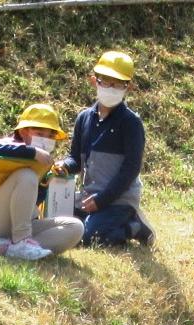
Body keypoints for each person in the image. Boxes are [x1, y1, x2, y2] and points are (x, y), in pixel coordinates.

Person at [56, 50, 155, 248]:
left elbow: (130, 170)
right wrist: (63, 166)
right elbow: (75, 159)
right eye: (106, 81)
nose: (111, 88)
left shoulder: (131, 123)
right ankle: (102, 221)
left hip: (118, 200)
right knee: (58, 224)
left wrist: (102, 200)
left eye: (119, 84)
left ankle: (134, 225)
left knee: (89, 238)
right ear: (94, 81)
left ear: (129, 87)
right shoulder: (84, 118)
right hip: (88, 197)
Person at [0, 103, 85, 262]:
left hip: (19, 227)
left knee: (75, 227)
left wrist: (46, 178)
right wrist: (32, 152)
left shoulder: (44, 165)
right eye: (39, 133)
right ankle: (21, 242)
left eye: (50, 136)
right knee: (26, 175)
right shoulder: (6, 144)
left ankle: (6, 248)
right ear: (23, 132)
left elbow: (31, 206)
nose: (46, 139)